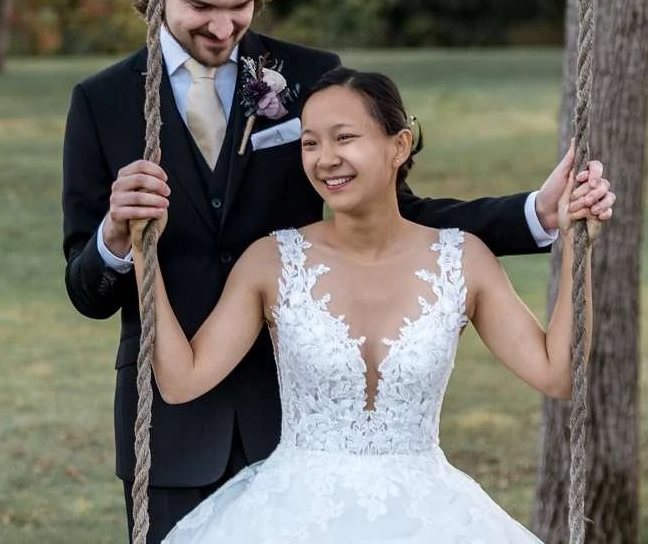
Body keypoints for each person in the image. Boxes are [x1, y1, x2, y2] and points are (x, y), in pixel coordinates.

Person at [60, 0, 614, 539]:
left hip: (295, 409)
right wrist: (117, 237)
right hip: (173, 432)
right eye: (201, 7)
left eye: (239, 7)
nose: (222, 27)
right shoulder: (103, 103)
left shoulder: (309, 78)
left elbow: (391, 210)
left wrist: (538, 214)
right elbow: (86, 287)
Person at [135, 68, 599, 542]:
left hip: (427, 515)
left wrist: (574, 245)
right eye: (310, 143)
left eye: (345, 138)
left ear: (399, 146)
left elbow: (558, 374)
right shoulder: (272, 262)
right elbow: (181, 381)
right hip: (295, 515)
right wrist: (142, 254)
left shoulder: (463, 259)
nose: (325, 159)